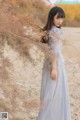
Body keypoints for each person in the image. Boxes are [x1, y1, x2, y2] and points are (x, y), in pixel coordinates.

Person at [36, 6, 71, 120]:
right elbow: (54, 52)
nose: (60, 21)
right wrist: (54, 68)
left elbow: (47, 49)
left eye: (62, 18)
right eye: (58, 18)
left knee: (49, 92)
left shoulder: (49, 30)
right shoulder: (55, 31)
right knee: (53, 93)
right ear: (52, 18)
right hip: (54, 64)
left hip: (49, 63)